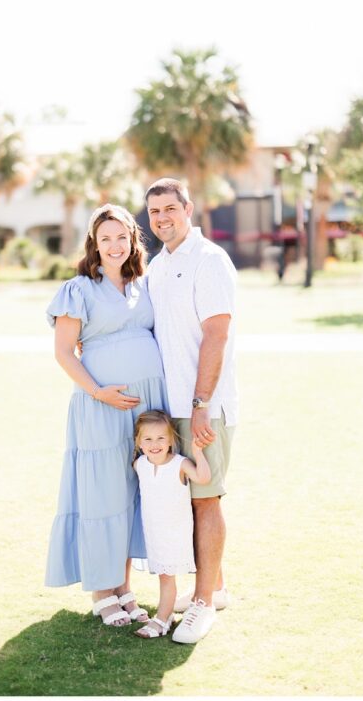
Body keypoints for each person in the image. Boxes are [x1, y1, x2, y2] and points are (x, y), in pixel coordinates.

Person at [44, 204, 167, 627]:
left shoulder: (143, 286)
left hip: (148, 406)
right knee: (103, 495)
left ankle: (124, 586)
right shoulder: (78, 289)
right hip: (100, 405)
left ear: (133, 240)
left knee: (134, 493)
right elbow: (63, 352)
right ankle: (102, 589)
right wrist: (98, 391)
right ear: (93, 245)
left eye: (121, 237)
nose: (114, 246)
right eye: (105, 239)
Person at [145, 177, 237, 644]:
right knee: (187, 501)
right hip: (170, 406)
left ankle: (202, 604)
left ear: (188, 208)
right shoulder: (159, 266)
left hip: (204, 406)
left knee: (206, 499)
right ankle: (213, 587)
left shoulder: (208, 260)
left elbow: (216, 335)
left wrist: (201, 405)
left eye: (169, 208)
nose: (162, 218)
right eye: (154, 211)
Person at [131, 410, 211, 639]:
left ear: (171, 440)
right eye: (147, 439)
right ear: (138, 441)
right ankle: (165, 615)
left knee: (167, 577)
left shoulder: (180, 464)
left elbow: (203, 478)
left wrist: (198, 452)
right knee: (163, 575)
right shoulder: (140, 464)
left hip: (174, 532)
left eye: (161, 438)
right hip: (154, 532)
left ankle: (162, 618)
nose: (154, 444)